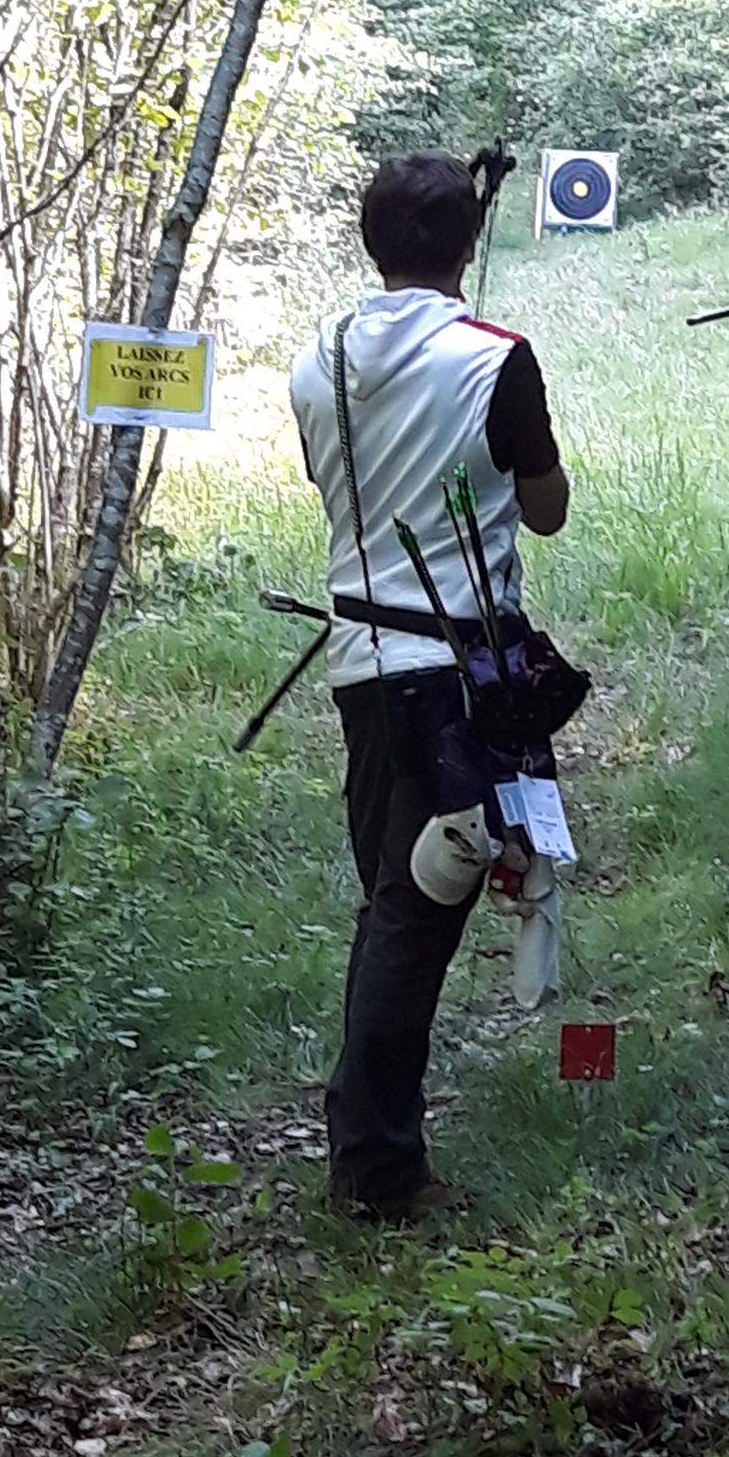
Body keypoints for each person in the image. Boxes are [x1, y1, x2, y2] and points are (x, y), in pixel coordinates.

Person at [290, 150, 570, 1219]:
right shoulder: (495, 356)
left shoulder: (318, 355)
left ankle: (367, 1135)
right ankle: (377, 1169)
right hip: (455, 673)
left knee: (398, 902)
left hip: (365, 665)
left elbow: (334, 486)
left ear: (373, 241)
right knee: (415, 913)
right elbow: (543, 508)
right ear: (466, 244)